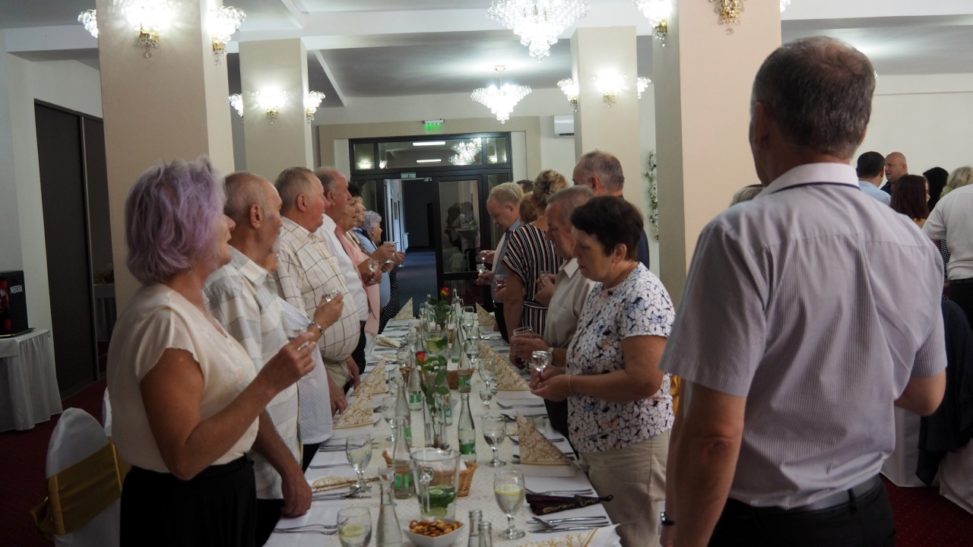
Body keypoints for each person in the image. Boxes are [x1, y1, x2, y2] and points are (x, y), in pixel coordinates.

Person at [661, 37, 946, 547]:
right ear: (859, 130)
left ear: (761, 120)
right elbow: (927, 394)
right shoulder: (912, 240)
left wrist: (682, 537)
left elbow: (713, 436)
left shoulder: (740, 235)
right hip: (869, 514)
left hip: (766, 527)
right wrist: (848, 374)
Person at [107, 158, 316, 547]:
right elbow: (185, 458)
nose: (230, 224)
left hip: (216, 494)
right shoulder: (164, 320)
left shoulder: (186, 304)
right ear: (189, 230)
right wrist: (269, 383)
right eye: (218, 215)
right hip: (186, 510)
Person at [203, 172, 345, 544]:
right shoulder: (230, 287)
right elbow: (247, 393)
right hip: (262, 475)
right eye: (277, 210)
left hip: (276, 463)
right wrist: (290, 471)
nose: (282, 221)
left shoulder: (252, 279)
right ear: (256, 215)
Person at [531, 196, 675, 546]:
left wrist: (570, 384)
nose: (576, 255)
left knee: (633, 539)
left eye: (585, 248)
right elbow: (592, 357)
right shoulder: (602, 288)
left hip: (631, 449)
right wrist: (558, 370)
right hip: (599, 447)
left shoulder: (642, 295)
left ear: (618, 251)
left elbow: (644, 380)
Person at [510, 185, 595, 437]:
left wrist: (544, 351)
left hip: (581, 405)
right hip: (562, 397)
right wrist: (538, 345)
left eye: (553, 229)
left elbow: (594, 360)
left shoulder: (589, 280)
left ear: (575, 229)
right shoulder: (568, 271)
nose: (547, 236)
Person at [273, 167, 361, 394]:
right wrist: (326, 382)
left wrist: (345, 356)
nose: (326, 203)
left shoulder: (311, 238)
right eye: (321, 197)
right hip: (317, 371)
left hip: (334, 364)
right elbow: (295, 329)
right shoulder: (284, 246)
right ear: (303, 202)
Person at [501, 169, 567, 337]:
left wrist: (513, 337)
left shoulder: (522, 236)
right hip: (568, 324)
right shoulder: (573, 233)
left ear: (533, 200)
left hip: (534, 324)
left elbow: (513, 299)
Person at [571, 150, 651, 268]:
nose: (573, 192)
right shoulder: (627, 218)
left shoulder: (613, 223)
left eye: (576, 184)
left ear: (594, 184)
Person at [925, 165, 973, 328]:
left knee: (963, 336)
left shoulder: (949, 199)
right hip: (960, 279)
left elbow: (927, 239)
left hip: (961, 280)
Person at [477, 182, 523, 341]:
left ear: (510, 208)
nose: (494, 222)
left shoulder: (521, 233)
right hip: (502, 304)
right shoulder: (510, 231)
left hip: (512, 307)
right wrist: (493, 276)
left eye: (496, 216)